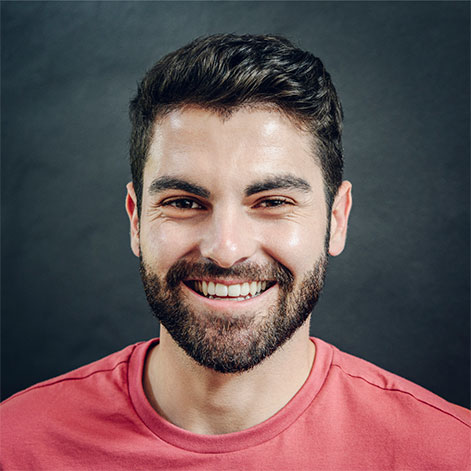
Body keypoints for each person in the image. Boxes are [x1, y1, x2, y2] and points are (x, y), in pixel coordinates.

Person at [1, 33, 469, 470]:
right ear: (136, 220)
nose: (226, 250)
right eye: (184, 203)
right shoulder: (15, 444)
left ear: (337, 219)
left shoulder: (450, 452)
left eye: (272, 202)